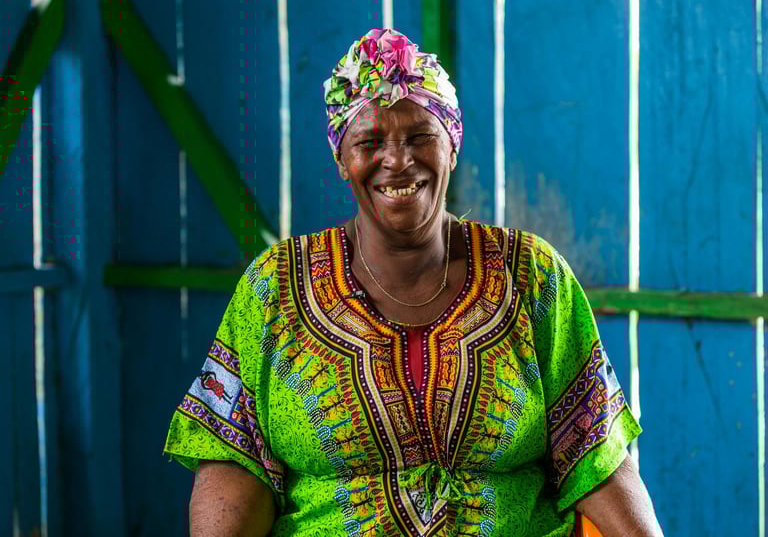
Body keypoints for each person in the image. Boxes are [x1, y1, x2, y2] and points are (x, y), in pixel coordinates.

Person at [164, 27, 663, 537]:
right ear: (342, 159)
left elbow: (596, 455)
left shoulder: (532, 277)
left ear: (452, 146)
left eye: (421, 136)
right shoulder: (275, 288)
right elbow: (234, 461)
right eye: (370, 141)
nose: (398, 160)